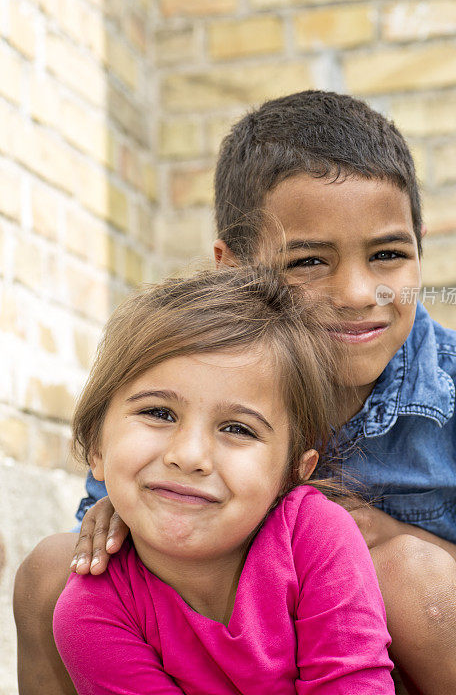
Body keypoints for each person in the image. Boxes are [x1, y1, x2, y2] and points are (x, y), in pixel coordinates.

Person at [14, 91, 456, 695]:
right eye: (309, 262)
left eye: (389, 254)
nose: (360, 293)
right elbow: (118, 566)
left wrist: (390, 538)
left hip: (394, 669)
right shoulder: (183, 375)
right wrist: (113, 516)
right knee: (57, 571)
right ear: (233, 269)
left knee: (407, 575)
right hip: (228, 655)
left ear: (421, 246)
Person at [51, 266, 395, 694]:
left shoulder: (316, 536)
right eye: (159, 413)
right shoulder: (91, 612)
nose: (189, 456)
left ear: (293, 473)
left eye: (237, 429)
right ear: (97, 450)